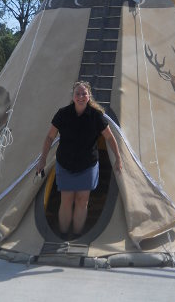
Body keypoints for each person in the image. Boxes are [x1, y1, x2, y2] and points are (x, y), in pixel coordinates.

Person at [36, 81, 122, 237]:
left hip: (87, 165)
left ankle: (75, 235)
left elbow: (109, 138)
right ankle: (63, 235)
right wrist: (43, 159)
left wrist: (118, 158)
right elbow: (50, 137)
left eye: (84, 94)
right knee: (66, 200)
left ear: (89, 96)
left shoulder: (96, 116)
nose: (81, 96)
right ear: (73, 96)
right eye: (78, 93)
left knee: (82, 201)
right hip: (65, 164)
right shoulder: (63, 114)